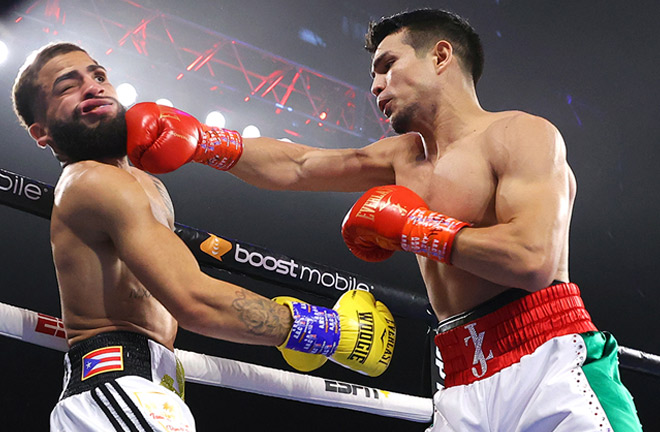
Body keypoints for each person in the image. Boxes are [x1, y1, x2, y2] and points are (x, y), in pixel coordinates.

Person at [126, 8, 643, 431]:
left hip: (548, 361)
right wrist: (203, 143)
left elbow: (531, 260)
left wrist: (414, 227)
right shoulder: (402, 156)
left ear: (440, 56)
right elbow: (299, 165)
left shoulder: (521, 135)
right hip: (461, 377)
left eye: (386, 64)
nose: (374, 83)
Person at [11, 42, 396, 432]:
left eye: (98, 75)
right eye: (67, 86)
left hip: (141, 392)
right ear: (40, 132)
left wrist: (205, 141)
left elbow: (297, 165)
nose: (93, 86)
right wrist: (327, 331)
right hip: (116, 391)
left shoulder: (144, 184)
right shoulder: (92, 181)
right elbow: (194, 299)